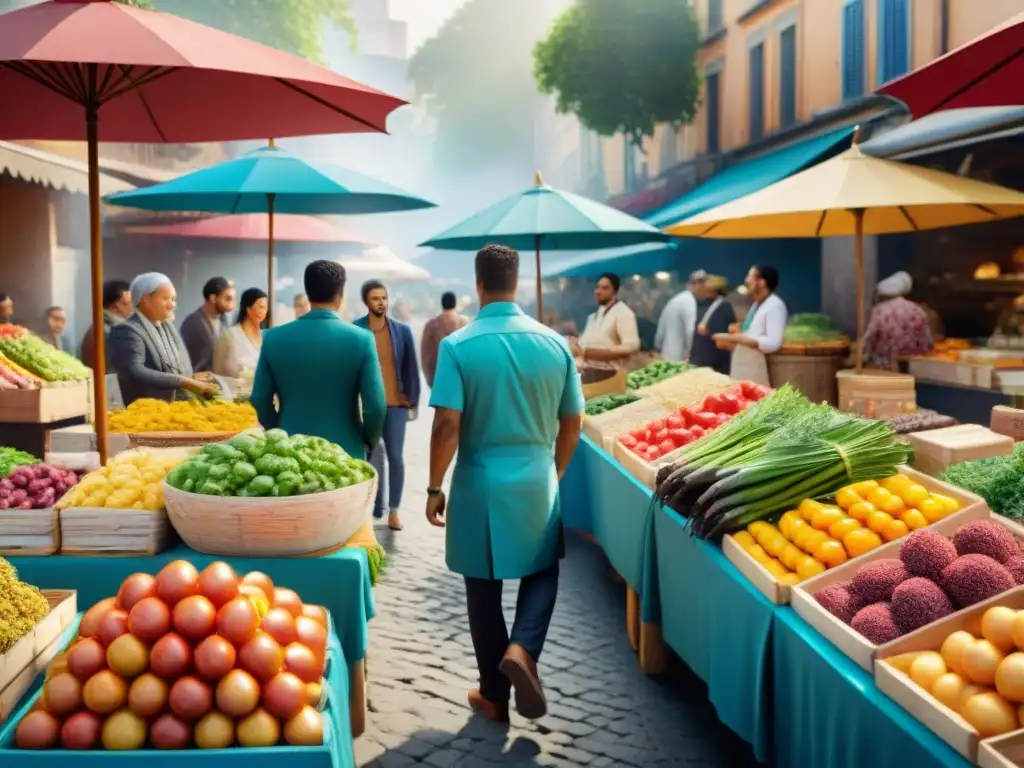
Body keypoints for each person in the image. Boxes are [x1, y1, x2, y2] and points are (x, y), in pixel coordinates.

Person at [426, 244, 584, 723]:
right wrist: (553, 471)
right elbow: (573, 421)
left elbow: (448, 424)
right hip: (537, 478)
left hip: (479, 481)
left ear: (478, 284)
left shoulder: (458, 345)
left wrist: (434, 486)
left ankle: (493, 695)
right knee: (543, 571)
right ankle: (524, 647)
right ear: (516, 284)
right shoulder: (555, 344)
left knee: (483, 587)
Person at [252, 261, 386, 460]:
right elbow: (375, 406)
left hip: (290, 453)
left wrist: (280, 429)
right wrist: (367, 439)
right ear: (341, 293)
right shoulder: (361, 339)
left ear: (308, 291)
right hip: (345, 454)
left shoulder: (272, 338)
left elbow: (259, 400)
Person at [354, 280, 420, 532]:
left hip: (395, 406)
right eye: (375, 298)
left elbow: (411, 368)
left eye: (384, 297)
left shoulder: (402, 331)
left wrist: (411, 401)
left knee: (395, 457)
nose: (381, 302)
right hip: (365, 407)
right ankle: (365, 511)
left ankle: (394, 511)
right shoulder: (356, 331)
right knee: (363, 458)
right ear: (366, 302)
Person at [108, 273, 216, 405]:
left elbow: (175, 367)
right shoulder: (126, 330)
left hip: (175, 406)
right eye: (166, 298)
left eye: (173, 299)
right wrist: (186, 382)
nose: (172, 305)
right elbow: (136, 370)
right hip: (144, 411)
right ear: (145, 299)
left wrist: (192, 378)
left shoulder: (166, 326)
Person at [713, 264, 787, 386]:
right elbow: (752, 334)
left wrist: (739, 338)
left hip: (754, 372)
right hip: (741, 369)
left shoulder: (775, 305)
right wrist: (736, 336)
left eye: (750, 277)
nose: (746, 281)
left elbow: (774, 342)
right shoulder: (757, 305)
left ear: (762, 282)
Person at [862, 271, 933, 370]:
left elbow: (868, 340)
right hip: (912, 367)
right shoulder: (918, 310)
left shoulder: (879, 311)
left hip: (884, 368)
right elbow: (927, 341)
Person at [570, 273, 641, 368]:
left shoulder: (623, 313)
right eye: (597, 287)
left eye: (605, 288)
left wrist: (588, 353)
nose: (598, 291)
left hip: (610, 374)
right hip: (588, 370)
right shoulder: (595, 315)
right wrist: (578, 342)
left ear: (615, 291)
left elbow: (630, 347)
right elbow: (595, 340)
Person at [180, 277, 236, 373]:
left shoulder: (224, 319)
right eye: (228, 299)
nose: (232, 304)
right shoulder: (193, 323)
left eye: (233, 299)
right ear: (213, 298)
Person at [213, 288, 268, 379]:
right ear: (248, 309)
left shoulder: (265, 337)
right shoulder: (229, 337)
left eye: (266, 308)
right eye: (261, 307)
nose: (264, 311)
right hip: (233, 391)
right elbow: (217, 374)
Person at [421, 291, 470, 387]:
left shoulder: (431, 325)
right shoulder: (464, 323)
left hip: (438, 381)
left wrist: (430, 381)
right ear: (455, 304)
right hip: (461, 381)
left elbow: (425, 355)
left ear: (442, 304)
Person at [80, 279, 132, 370]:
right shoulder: (109, 331)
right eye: (128, 303)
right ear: (117, 305)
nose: (131, 307)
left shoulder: (100, 326)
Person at [654, 270, 705, 362]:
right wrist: (694, 355)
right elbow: (691, 331)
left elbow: (659, 335)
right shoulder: (689, 301)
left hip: (667, 356)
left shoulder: (675, 300)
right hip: (681, 360)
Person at [689, 275, 736, 374]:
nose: (699, 286)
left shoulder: (723, 307)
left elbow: (724, 339)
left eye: (704, 283)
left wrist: (709, 332)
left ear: (713, 289)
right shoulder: (700, 305)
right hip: (698, 363)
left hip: (715, 366)